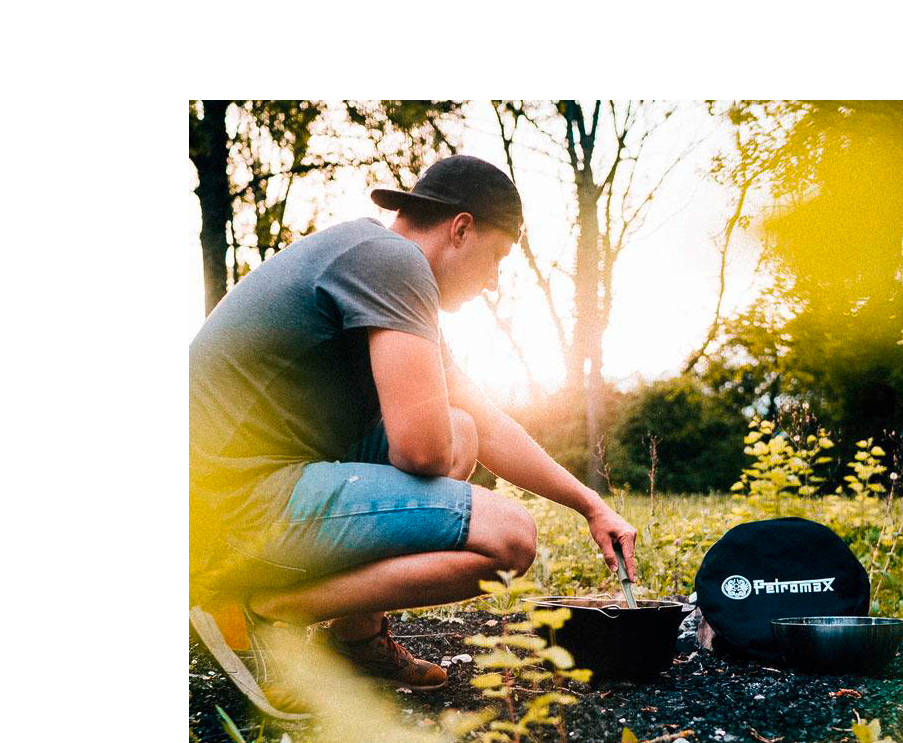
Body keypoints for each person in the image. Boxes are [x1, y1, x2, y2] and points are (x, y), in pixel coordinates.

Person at [190, 154, 638, 709]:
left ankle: (355, 640)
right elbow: (421, 452)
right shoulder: (392, 262)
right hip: (224, 511)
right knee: (509, 538)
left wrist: (590, 505)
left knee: (463, 428)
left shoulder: (375, 263)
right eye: (498, 257)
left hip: (240, 491)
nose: (495, 281)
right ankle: (261, 610)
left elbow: (486, 423)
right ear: (462, 228)